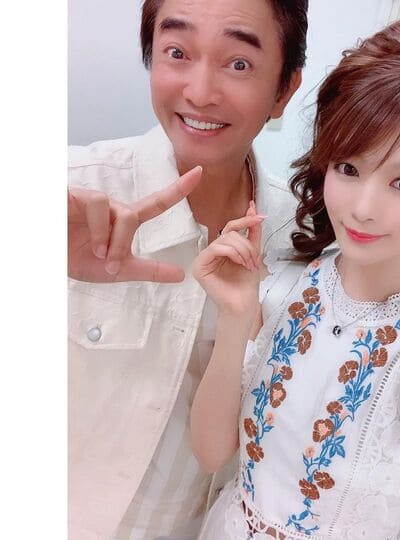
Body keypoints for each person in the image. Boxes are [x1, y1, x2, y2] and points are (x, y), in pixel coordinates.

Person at [190, 17, 400, 540]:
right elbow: (211, 455)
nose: (363, 208)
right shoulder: (281, 285)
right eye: (348, 168)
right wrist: (235, 319)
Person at [68, 1, 308, 539]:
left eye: (238, 63)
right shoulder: (72, 191)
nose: (200, 92)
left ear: (285, 89)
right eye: (177, 52)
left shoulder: (302, 241)